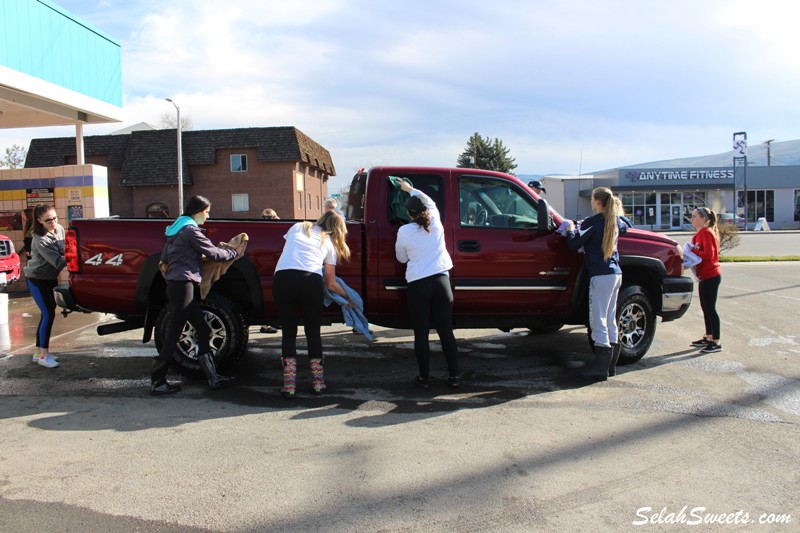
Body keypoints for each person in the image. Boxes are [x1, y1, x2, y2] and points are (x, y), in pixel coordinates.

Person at [151, 195, 240, 396]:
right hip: (184, 286)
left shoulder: (174, 230)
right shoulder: (191, 231)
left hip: (176, 285)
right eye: (206, 212)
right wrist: (233, 254)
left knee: (203, 329)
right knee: (173, 334)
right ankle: (157, 381)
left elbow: (165, 257)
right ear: (198, 211)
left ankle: (213, 377)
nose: (207, 216)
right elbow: (214, 254)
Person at [273, 210, 351, 398]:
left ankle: (289, 386)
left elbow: (291, 250)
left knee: (289, 332)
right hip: (310, 282)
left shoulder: (298, 226)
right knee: (312, 332)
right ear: (337, 230)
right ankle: (318, 384)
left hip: (283, 279)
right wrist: (348, 298)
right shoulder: (329, 244)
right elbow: (331, 283)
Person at [395, 180, 460, 389]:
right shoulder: (437, 221)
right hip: (442, 282)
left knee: (421, 334)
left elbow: (401, 259)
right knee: (446, 331)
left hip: (418, 285)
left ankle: (424, 378)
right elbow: (430, 201)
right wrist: (410, 188)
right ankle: (454, 377)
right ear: (425, 209)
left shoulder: (404, 231)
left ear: (410, 214)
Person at [564, 187, 627, 381]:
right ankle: (611, 367)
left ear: (597, 202)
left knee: (597, 320)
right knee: (610, 319)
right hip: (615, 274)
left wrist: (570, 230)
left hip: (600, 276)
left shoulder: (593, 222)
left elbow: (574, 245)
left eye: (592, 199)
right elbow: (627, 225)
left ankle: (600, 369)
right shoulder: (616, 221)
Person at [23, 204, 66, 368]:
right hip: (36, 278)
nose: (53, 222)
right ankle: (43, 355)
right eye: (48, 220)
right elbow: (58, 262)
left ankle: (38, 352)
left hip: (50, 278)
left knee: (46, 313)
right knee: (48, 314)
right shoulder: (40, 240)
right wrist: (76, 254)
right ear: (39, 221)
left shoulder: (59, 229)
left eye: (55, 218)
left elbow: (65, 247)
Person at [689, 207, 722, 354]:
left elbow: (708, 254)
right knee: (705, 308)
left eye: (695, 216)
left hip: (711, 276)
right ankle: (708, 336)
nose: (692, 219)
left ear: (703, 219)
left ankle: (716, 341)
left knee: (710, 308)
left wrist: (692, 251)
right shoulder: (699, 234)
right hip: (703, 276)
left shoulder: (707, 233)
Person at [260, 208, 280, 333]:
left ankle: (269, 323)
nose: (267, 220)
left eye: (269, 217)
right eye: (265, 217)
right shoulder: (271, 230)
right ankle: (265, 325)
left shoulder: (263, 229)